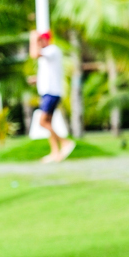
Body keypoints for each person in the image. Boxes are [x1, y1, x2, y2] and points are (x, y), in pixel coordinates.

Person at [30, 29, 75, 162]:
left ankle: (65, 142)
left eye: (40, 40)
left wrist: (32, 39)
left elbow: (33, 54)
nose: (38, 43)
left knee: (42, 122)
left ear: (46, 39)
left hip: (51, 93)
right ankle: (55, 152)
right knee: (48, 122)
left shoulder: (52, 50)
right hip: (48, 92)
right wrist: (37, 79)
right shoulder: (49, 54)